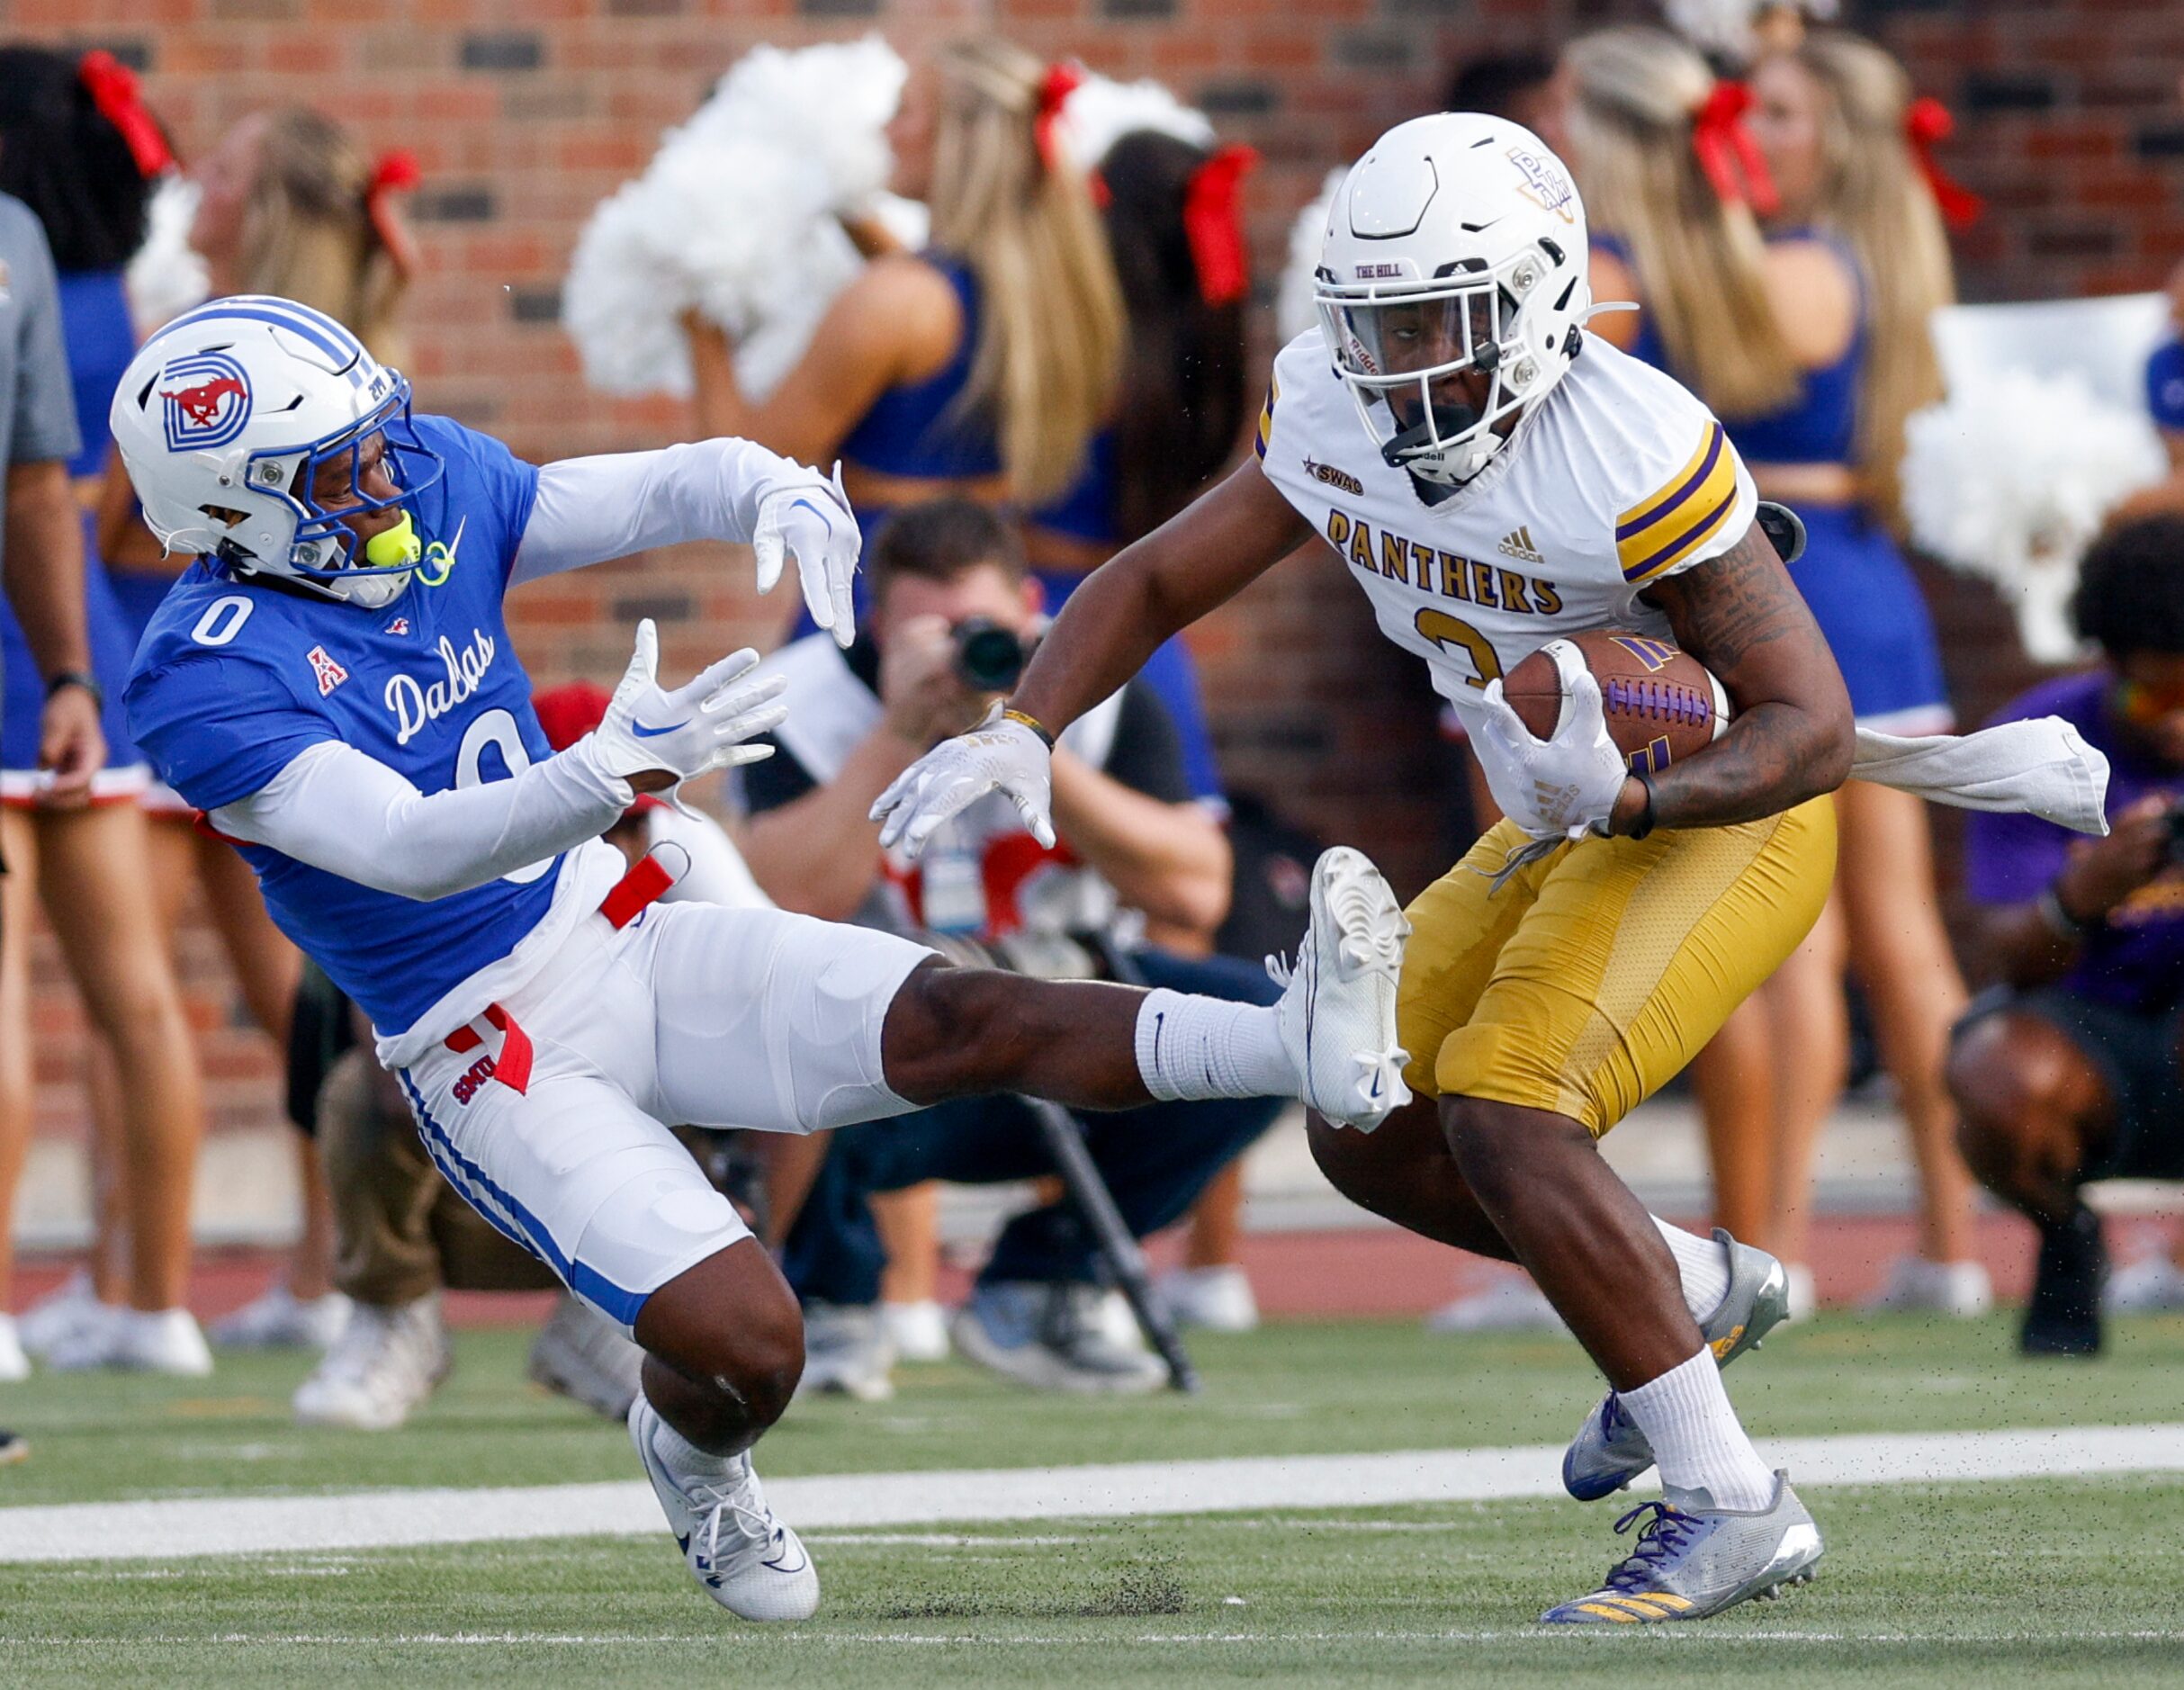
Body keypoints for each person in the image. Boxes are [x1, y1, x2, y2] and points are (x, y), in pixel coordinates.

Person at [112, 294, 1407, 1620]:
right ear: (232, 510)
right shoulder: (203, 677)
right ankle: (691, 1452)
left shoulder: (430, 484)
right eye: (340, 470)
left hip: (617, 922)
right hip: (487, 1040)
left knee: (956, 1015)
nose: (388, 477)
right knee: (748, 1343)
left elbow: (645, 488)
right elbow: (405, 846)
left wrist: (770, 490)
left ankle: (1290, 1038)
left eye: (379, 441)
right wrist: (601, 770)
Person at [876, 112, 1853, 1624]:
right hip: (1554, 817)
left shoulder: (1634, 444)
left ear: (1534, 300)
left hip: (1716, 817)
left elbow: (1815, 724)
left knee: (1507, 1108)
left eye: (1437, 323)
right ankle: (1693, 1286)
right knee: (1360, 1108)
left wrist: (1638, 796)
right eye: (1373, 321)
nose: (1398, 361)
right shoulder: (1333, 407)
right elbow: (1151, 573)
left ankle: (1731, 1499)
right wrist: (1028, 727)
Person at [1570, 25, 1984, 1317]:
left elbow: (1695, 318)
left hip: (1809, 593)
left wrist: (1661, 191)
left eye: (1782, 116)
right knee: (1874, 936)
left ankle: (1800, 1241)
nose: (1753, 135)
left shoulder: (1807, 266)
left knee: (1827, 943)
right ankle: (1934, 1242)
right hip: (1829, 583)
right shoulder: (1817, 255)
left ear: (1840, 142)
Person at [736, 499, 1278, 1398]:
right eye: (928, 633)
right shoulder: (804, 703)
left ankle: (1045, 1281)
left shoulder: (1094, 685)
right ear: (877, 629)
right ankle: (830, 1294)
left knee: (1258, 1029)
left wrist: (1019, 740)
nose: (958, 650)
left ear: (1029, 609)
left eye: (979, 629)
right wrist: (902, 733)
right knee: (769, 1024)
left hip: (1062, 1021)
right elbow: (778, 901)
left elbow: (1197, 888)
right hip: (884, 1055)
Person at [92, 106, 421, 1352]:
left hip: (196, 677)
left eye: (222, 171)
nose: (195, 186)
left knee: (156, 995)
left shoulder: (227, 365)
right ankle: (318, 1267)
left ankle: (164, 1285)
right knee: (306, 994)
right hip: (324, 685)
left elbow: (141, 534)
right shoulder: (345, 348)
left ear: (268, 208)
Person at [288, 680, 771, 1431]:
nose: (608, 850)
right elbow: (385, 1067)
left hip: (629, 1188)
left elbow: (772, 1027)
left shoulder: (686, 862)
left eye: (623, 824)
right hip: (471, 1177)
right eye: (584, 821)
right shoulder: (441, 855)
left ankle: (612, 1324)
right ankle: (395, 1319)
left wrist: (747, 1203)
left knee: (777, 1072)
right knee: (361, 1088)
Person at [0, 46, 211, 1381]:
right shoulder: (100, 294)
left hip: (22, 624)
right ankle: (160, 1304)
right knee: (137, 999)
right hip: (77, 641)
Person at [1947, 516, 2184, 1356]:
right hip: (2092, 1037)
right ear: (2109, 664)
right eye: (2157, 696)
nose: (2174, 724)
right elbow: (2001, 960)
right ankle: (2066, 1237)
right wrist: (2080, 893)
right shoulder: (2041, 741)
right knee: (1994, 1073)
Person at [0, 100, 110, 1456]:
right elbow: (33, 488)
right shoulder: (15, 234)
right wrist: (70, 672)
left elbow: (35, 487)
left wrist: (72, 674)